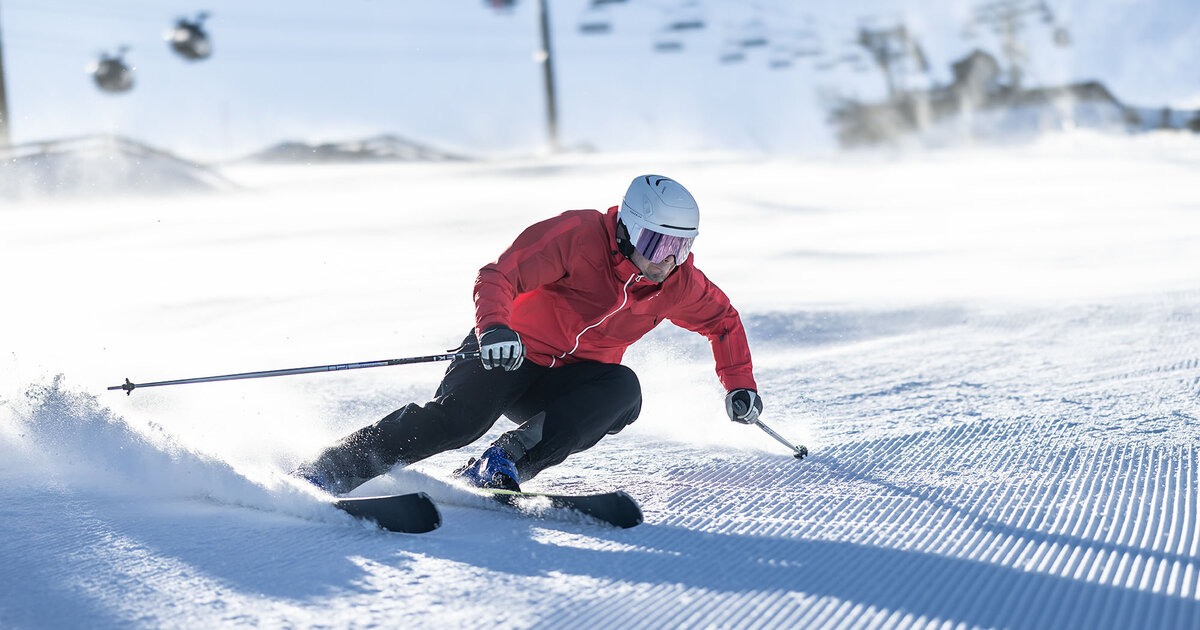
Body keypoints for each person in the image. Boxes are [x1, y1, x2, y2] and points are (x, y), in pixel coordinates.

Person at [293, 174, 764, 495]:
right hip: (507, 352)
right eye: (659, 243)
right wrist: (495, 327)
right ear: (628, 228)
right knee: (461, 421)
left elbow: (722, 320)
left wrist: (740, 384)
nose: (668, 260)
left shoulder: (677, 282)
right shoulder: (578, 235)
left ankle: (504, 463)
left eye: (681, 247)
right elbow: (498, 275)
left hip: (567, 380)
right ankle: (329, 470)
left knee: (624, 390)